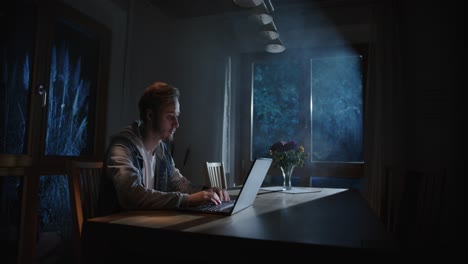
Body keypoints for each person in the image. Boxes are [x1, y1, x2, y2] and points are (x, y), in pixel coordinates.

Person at [98, 81, 229, 215]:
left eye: (176, 116)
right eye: (170, 116)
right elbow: (132, 196)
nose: (176, 124)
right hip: (116, 229)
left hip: (143, 225)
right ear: (150, 115)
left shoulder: (161, 149)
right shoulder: (122, 147)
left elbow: (178, 183)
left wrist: (208, 192)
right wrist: (188, 200)